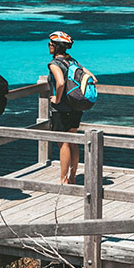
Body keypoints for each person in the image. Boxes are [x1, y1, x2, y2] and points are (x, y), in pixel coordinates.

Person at [47, 30, 86, 183]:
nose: (49, 46)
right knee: (73, 141)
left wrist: (56, 99)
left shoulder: (54, 64)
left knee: (63, 143)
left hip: (61, 109)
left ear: (57, 47)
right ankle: (73, 177)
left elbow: (60, 83)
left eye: (51, 44)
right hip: (76, 106)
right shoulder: (74, 62)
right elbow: (92, 78)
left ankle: (63, 179)